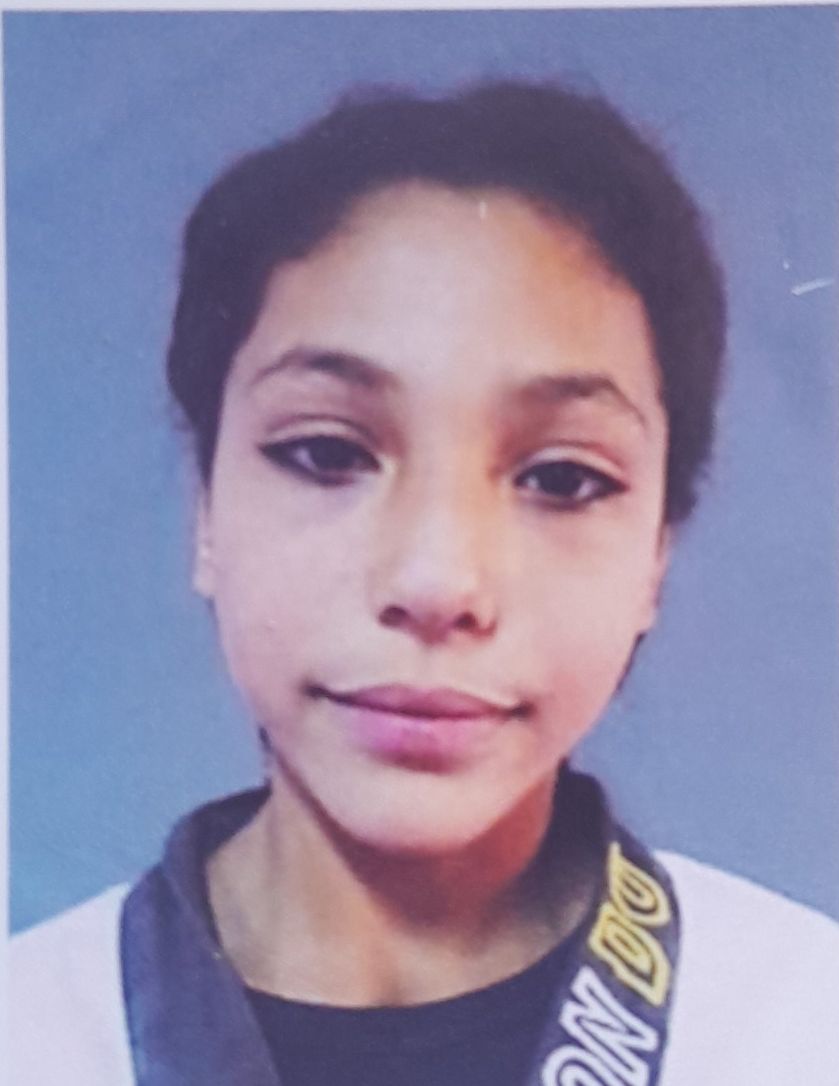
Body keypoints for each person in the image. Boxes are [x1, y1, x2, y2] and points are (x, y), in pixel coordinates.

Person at [10, 79, 839, 1085]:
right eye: (326, 454)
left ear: (656, 556)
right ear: (205, 511)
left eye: (562, 478)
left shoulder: (803, 1027)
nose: (438, 581)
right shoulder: (32, 1032)